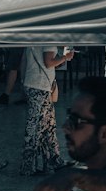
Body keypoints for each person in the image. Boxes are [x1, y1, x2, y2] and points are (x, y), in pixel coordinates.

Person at [20, 44, 74, 176]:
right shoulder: (48, 39)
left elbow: (24, 62)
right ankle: (29, 166)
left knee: (48, 125)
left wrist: (23, 81)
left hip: (33, 84)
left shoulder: (33, 39)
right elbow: (49, 63)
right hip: (40, 86)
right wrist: (65, 57)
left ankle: (52, 161)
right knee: (36, 127)